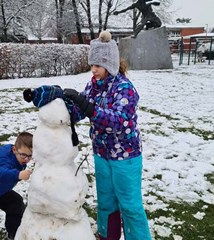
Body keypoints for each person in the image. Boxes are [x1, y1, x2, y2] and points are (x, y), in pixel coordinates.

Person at [64, 31, 152, 240]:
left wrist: (90, 109)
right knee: (105, 201)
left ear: (110, 64)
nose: (93, 69)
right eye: (92, 64)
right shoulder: (93, 86)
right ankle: (107, 236)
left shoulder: (125, 88)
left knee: (130, 205)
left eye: (99, 65)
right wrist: (64, 103)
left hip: (125, 156)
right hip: (102, 153)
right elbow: (79, 111)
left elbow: (120, 121)